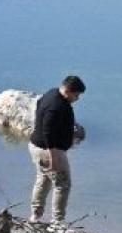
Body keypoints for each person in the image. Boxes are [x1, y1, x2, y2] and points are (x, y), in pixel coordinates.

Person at [28, 75, 85, 224]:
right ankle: (57, 222)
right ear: (68, 90)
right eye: (76, 95)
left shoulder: (51, 93)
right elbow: (48, 132)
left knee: (43, 180)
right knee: (62, 184)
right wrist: (54, 158)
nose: (77, 98)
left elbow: (39, 107)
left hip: (36, 147)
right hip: (50, 151)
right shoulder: (57, 106)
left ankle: (35, 216)